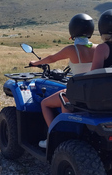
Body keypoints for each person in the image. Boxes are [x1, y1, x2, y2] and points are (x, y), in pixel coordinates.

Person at [29, 13, 96, 148]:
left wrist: (35, 62)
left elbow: (52, 58)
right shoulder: (98, 48)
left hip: (76, 94)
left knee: (44, 104)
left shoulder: (73, 49)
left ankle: (53, 137)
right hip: (94, 93)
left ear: (73, 30)